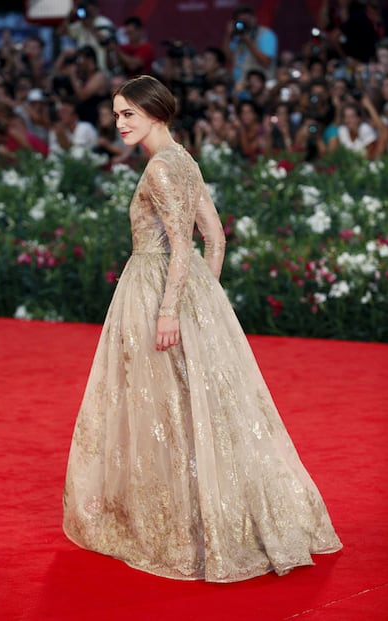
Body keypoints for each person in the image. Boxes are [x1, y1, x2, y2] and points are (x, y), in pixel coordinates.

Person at [62, 75, 342, 583]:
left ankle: (186, 527)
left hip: (153, 293)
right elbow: (215, 237)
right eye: (117, 113)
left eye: (128, 114)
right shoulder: (183, 160)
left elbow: (185, 241)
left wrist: (172, 310)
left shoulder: (160, 170)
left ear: (156, 113)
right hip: (176, 293)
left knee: (163, 408)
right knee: (185, 408)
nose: (119, 122)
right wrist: (199, 300)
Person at [222, 5, 278, 82]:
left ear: (254, 18)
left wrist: (248, 42)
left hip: (261, 86)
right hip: (240, 85)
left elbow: (265, 62)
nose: (246, 23)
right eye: (241, 20)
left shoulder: (266, 34)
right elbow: (228, 58)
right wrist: (228, 35)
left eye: (248, 19)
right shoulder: (237, 36)